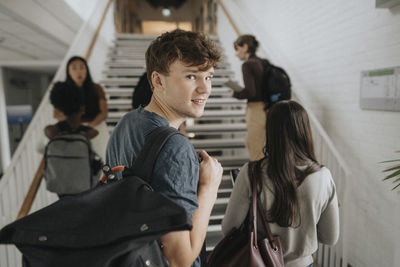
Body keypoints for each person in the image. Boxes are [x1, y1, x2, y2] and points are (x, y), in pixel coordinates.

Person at [106, 29, 223, 267]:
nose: (205, 89)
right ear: (158, 80)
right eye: (191, 76)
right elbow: (179, 259)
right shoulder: (176, 148)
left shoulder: (126, 123)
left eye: (208, 77)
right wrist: (209, 189)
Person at [221, 100, 340, 267]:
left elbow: (229, 228)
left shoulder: (251, 172)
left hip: (259, 261)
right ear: (305, 131)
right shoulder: (323, 176)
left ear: (270, 131)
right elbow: (330, 237)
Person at [54, 56, 109, 160]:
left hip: (96, 127)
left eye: (82, 67)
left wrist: (89, 126)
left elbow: (103, 112)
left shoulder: (96, 88)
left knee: (104, 158)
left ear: (86, 70)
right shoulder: (62, 90)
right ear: (68, 71)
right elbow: (57, 114)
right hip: (72, 130)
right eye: (74, 68)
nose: (79, 71)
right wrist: (75, 126)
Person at [227, 34, 268, 161]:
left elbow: (250, 92)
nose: (235, 53)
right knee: (264, 145)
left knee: (255, 148)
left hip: (256, 110)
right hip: (269, 108)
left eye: (237, 49)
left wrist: (235, 93)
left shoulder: (248, 64)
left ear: (245, 47)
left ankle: (260, 179)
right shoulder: (264, 62)